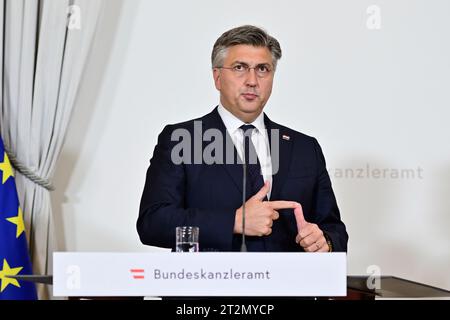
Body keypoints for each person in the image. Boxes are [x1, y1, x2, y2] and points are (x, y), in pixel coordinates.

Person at [137, 25, 348, 253]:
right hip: (210, 285)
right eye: (240, 67)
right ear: (217, 77)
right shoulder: (183, 140)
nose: (252, 80)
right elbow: (153, 223)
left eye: (263, 69)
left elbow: (334, 230)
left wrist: (324, 241)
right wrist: (233, 222)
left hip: (285, 287)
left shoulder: (305, 148)